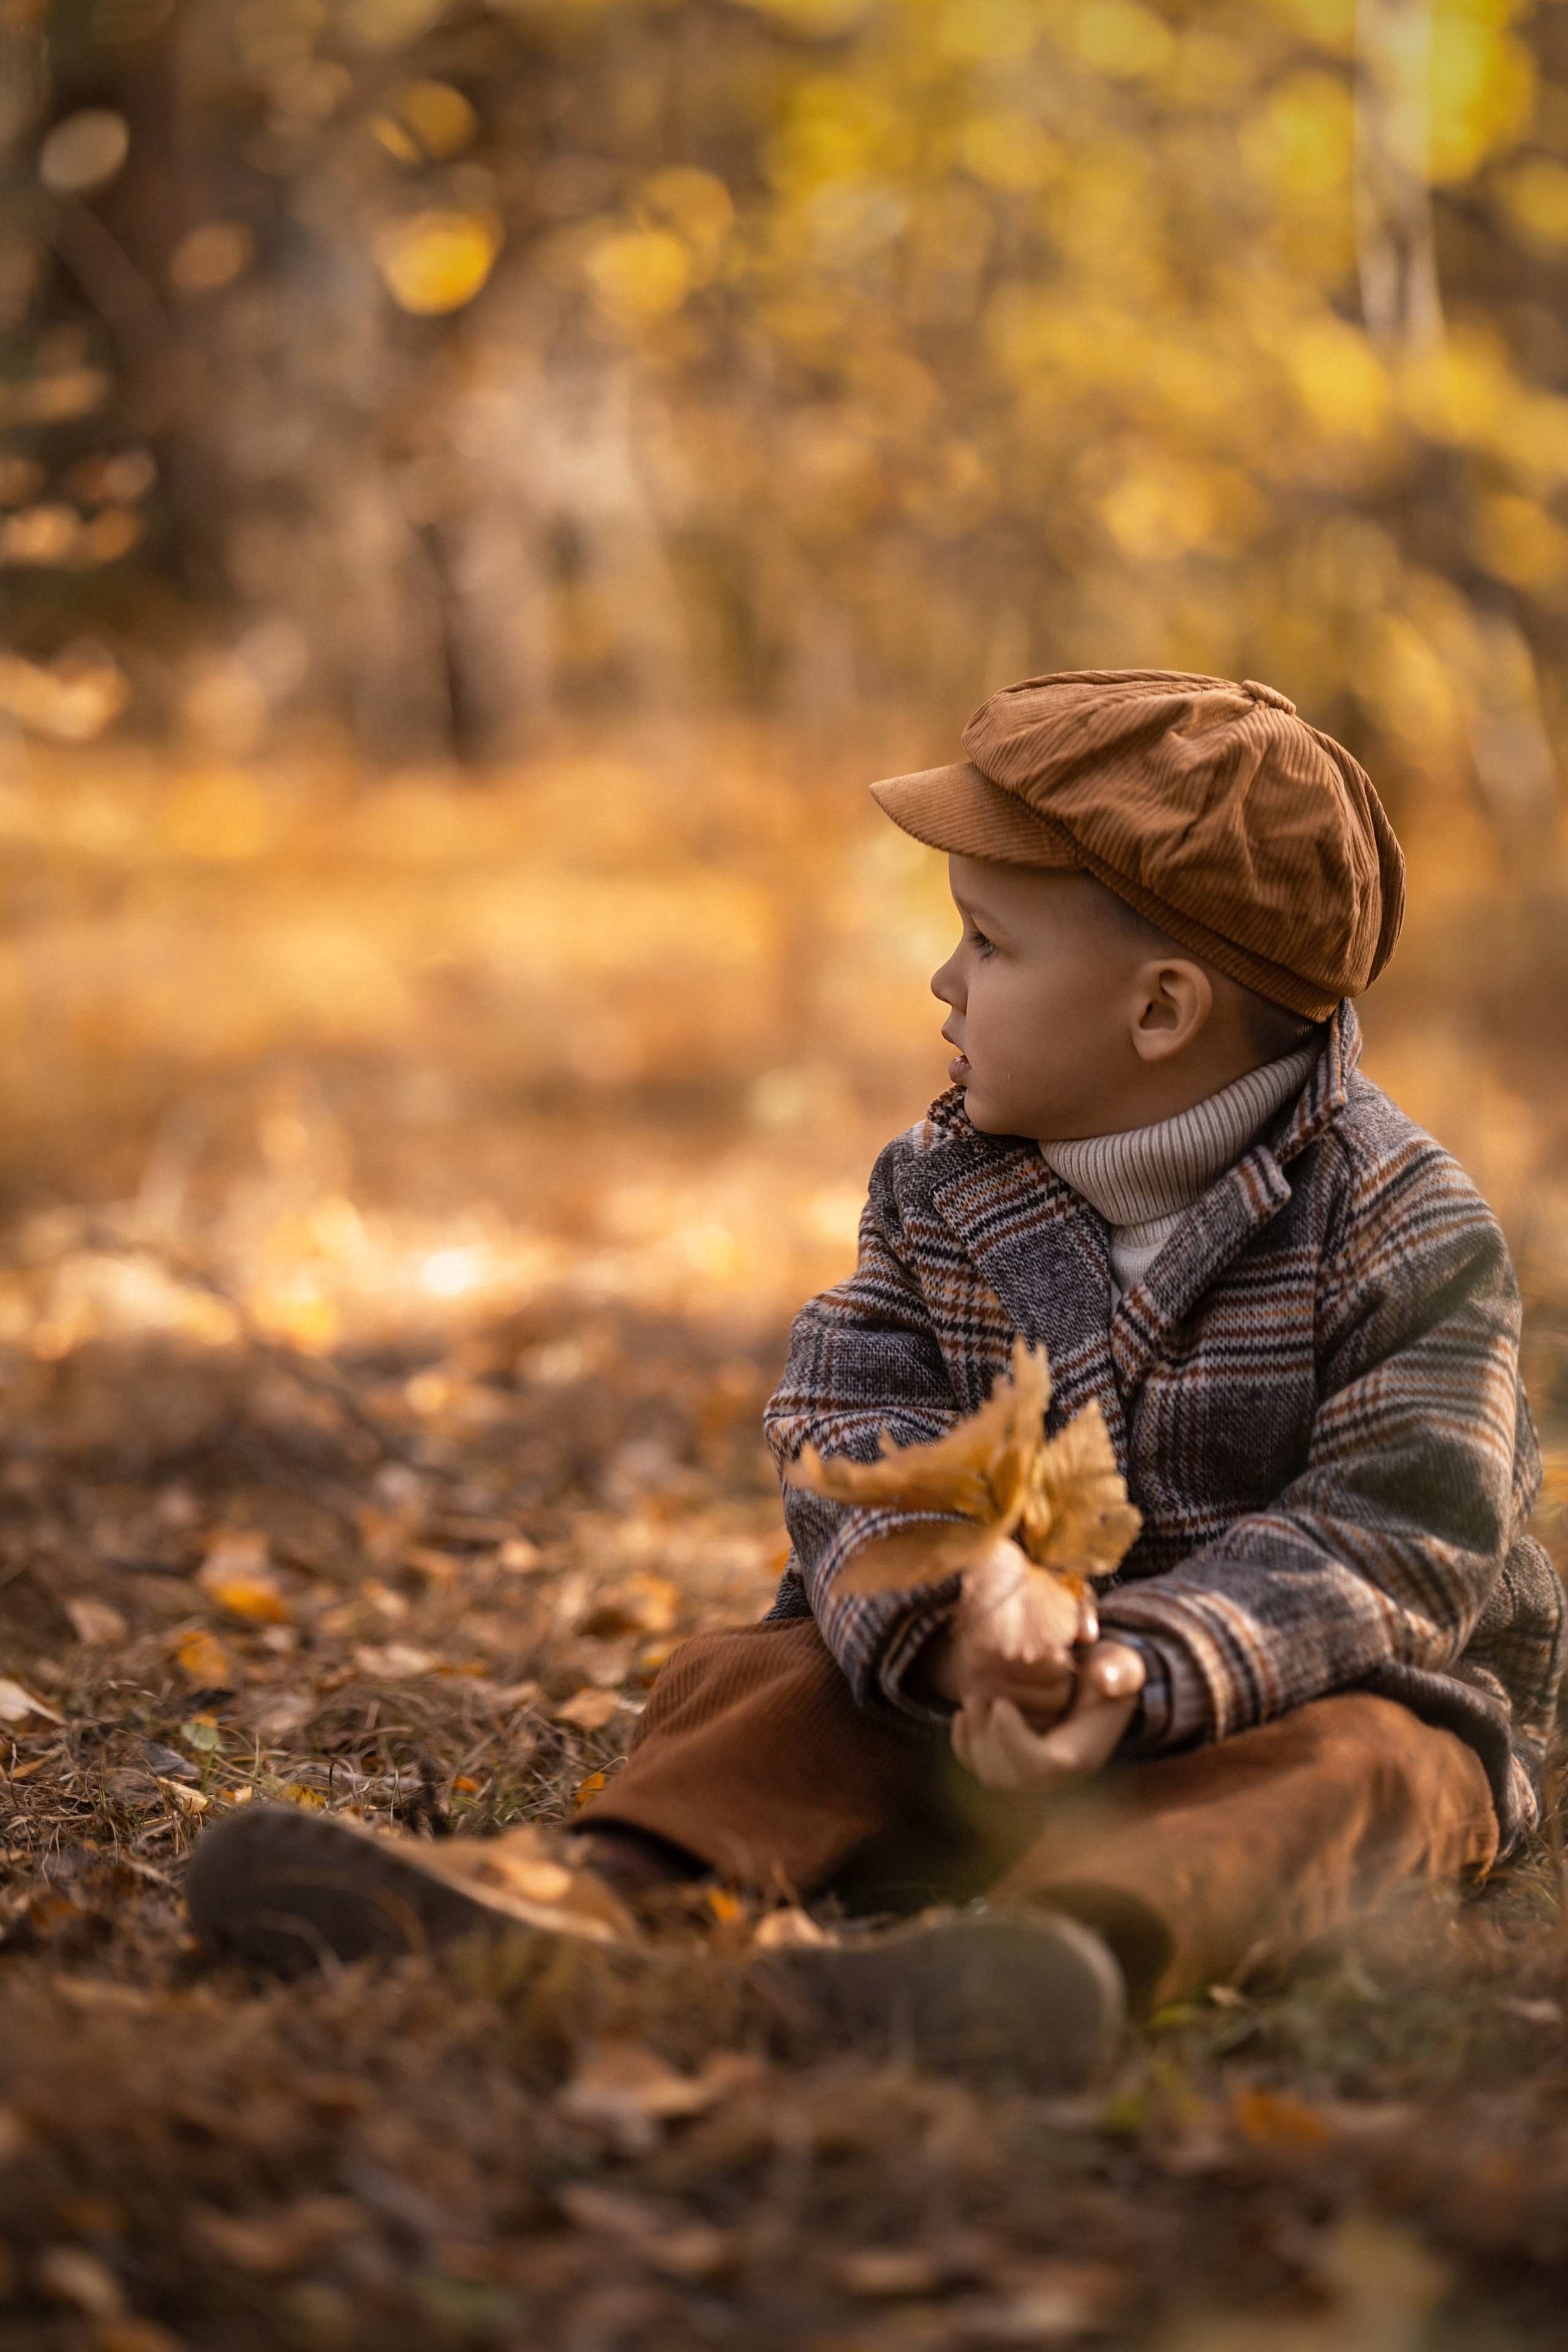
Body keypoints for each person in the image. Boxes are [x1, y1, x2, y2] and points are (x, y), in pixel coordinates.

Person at [189, 671, 1564, 2086]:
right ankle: (587, 1891)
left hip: (1267, 1694)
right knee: (763, 1681)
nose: (943, 980)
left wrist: (1138, 1667)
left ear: (1160, 1011)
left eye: (986, 943)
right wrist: (963, 1610)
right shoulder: (938, 1186)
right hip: (973, 1695)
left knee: (1377, 1777)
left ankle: (1062, 1958)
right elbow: (852, 1419)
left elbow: (1399, 1536)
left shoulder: (1402, 1221)